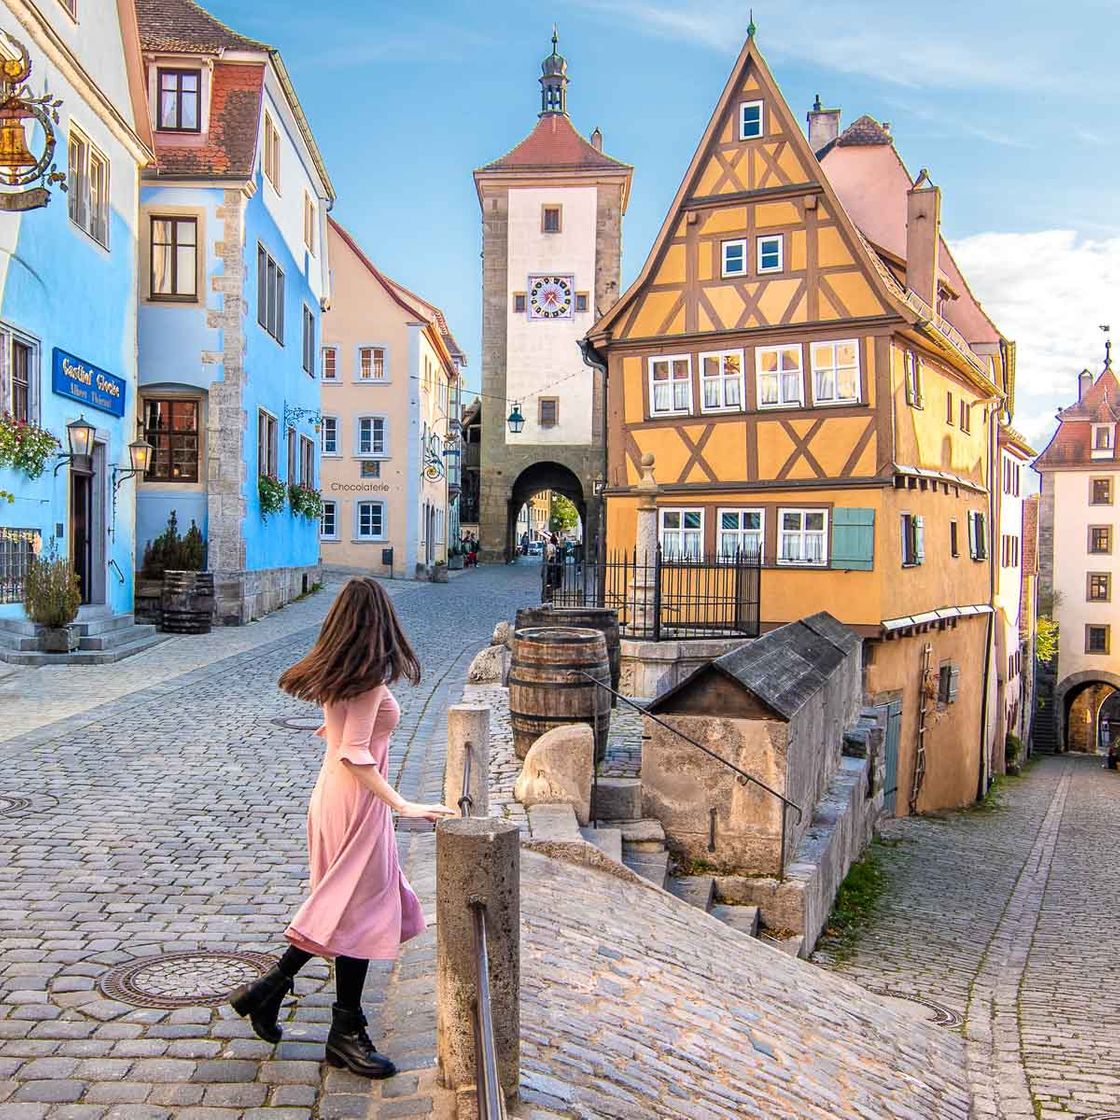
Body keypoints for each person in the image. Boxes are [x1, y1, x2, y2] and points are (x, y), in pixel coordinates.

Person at [229, 578, 452, 1078]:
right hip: (356, 801)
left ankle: (270, 993)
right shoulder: (369, 681)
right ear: (379, 622)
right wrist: (405, 805)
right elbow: (355, 754)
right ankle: (344, 1034)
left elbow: (337, 737)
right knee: (359, 914)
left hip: (333, 797)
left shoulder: (342, 675)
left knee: (345, 909)